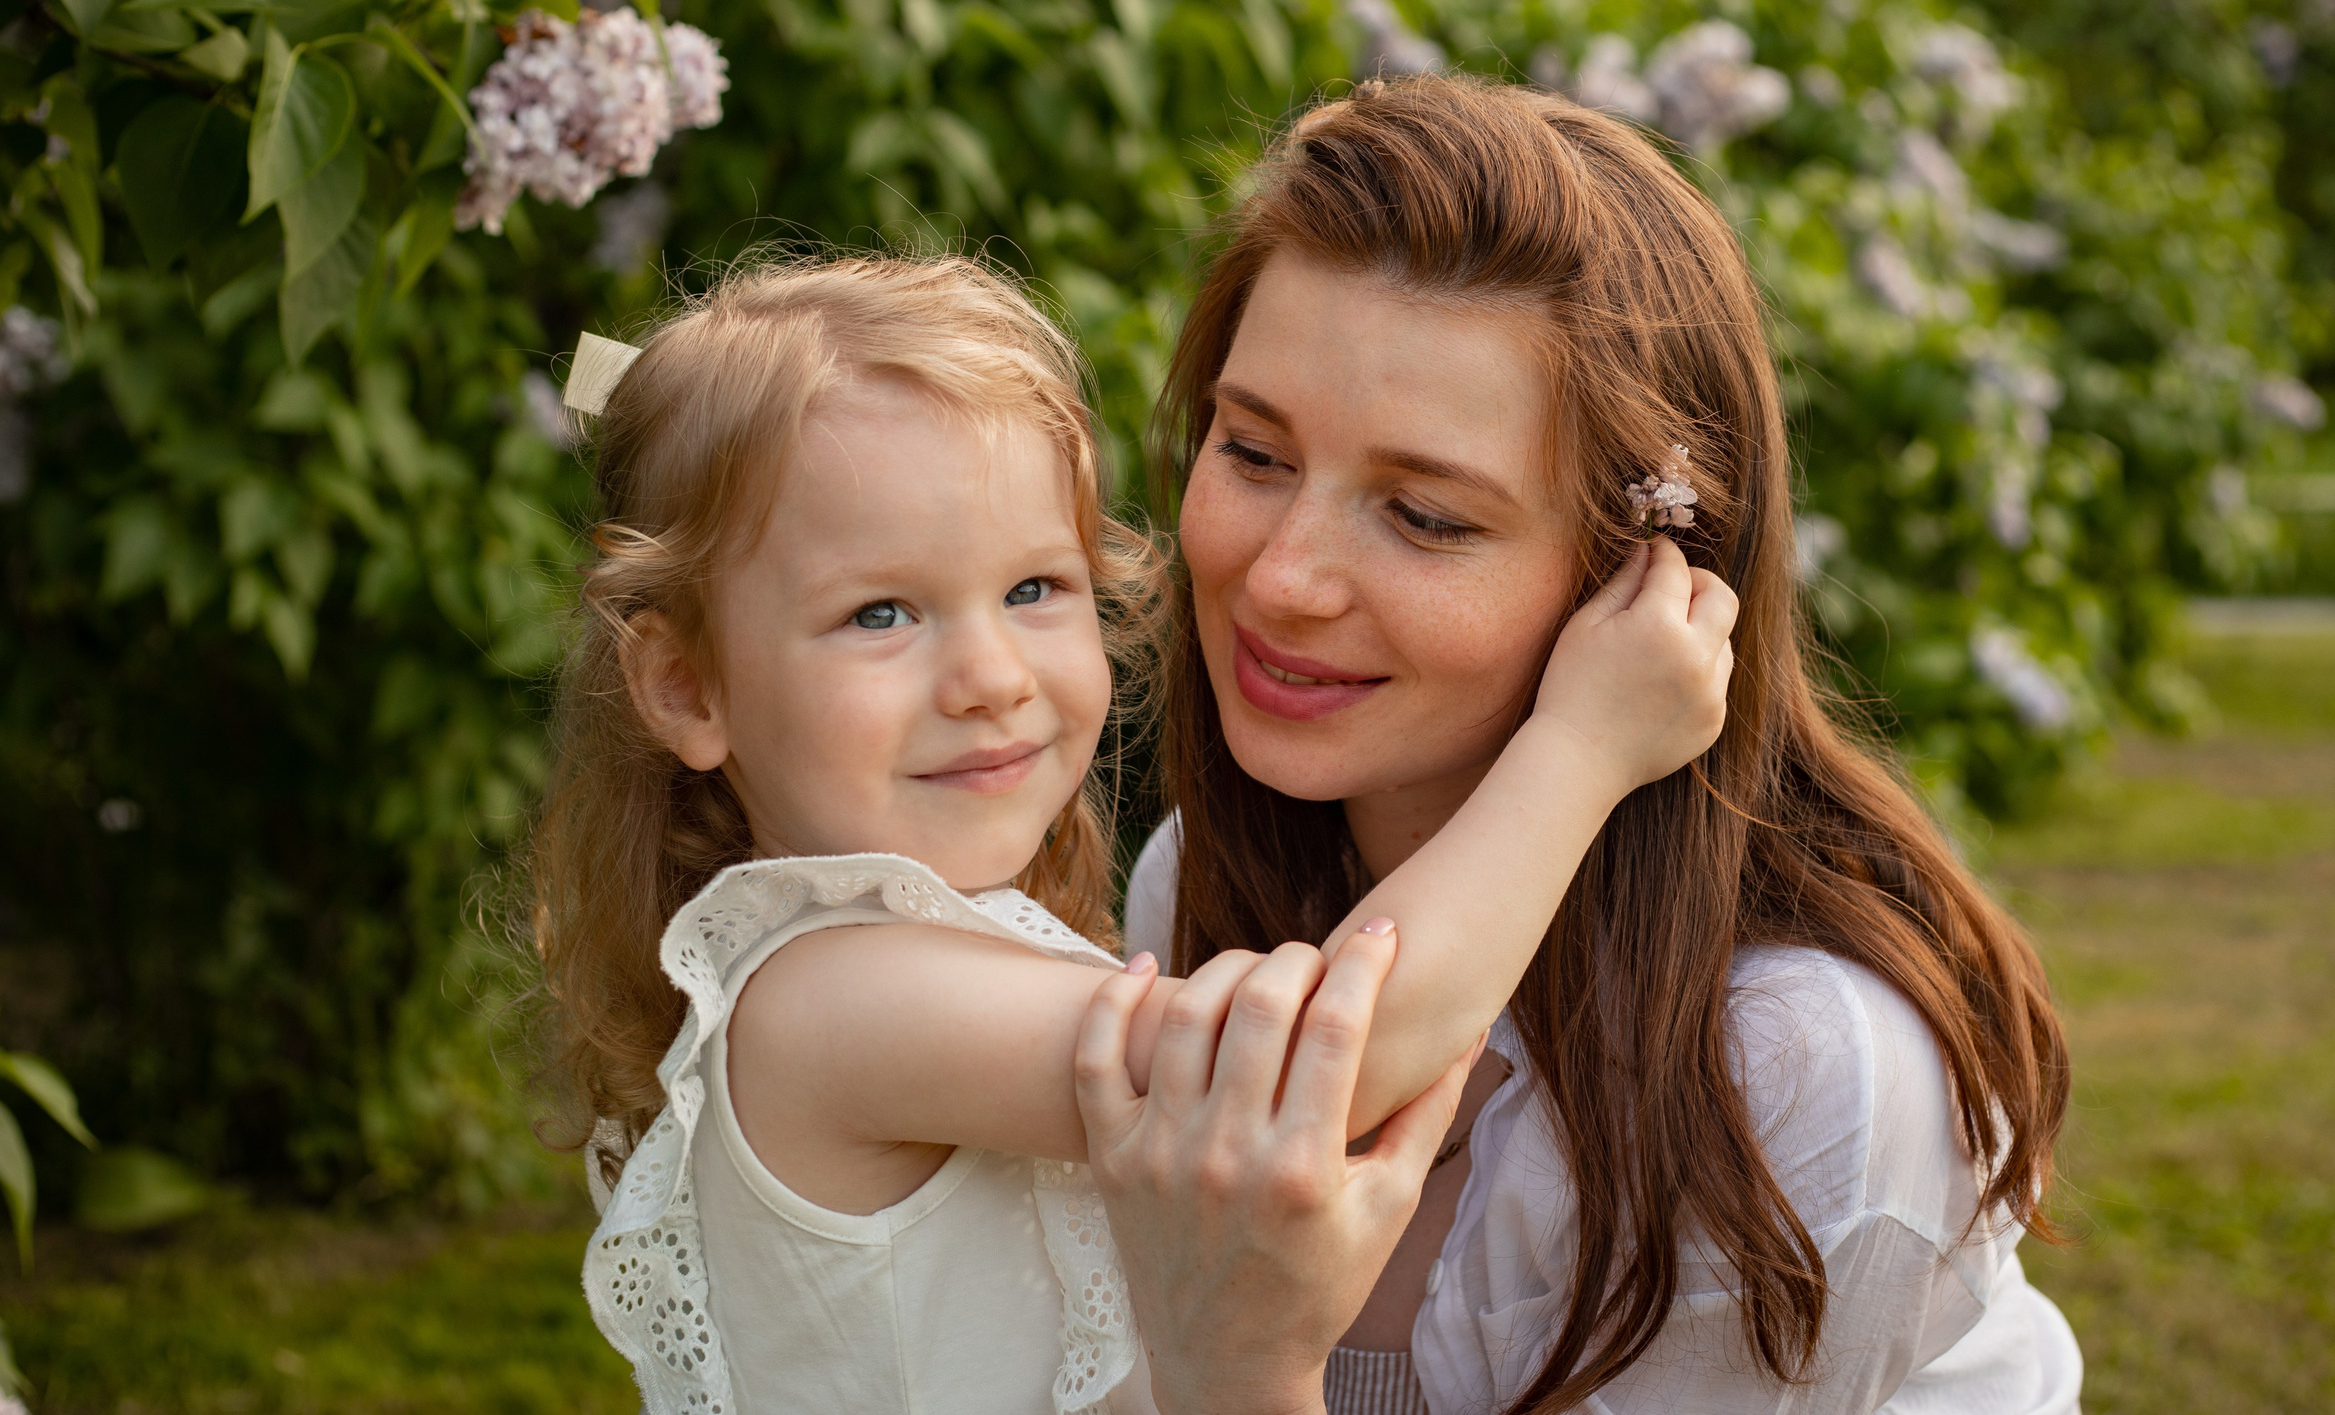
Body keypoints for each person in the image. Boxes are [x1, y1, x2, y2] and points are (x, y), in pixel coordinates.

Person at [525, 252, 1739, 1414]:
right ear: (686, 687)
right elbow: (1314, 1070)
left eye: (1032, 589)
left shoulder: (922, 956)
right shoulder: (828, 997)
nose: (990, 677)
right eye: (880, 613)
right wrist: (1582, 750)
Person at [1105, 75, 2084, 1414]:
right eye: (1255, 452)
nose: (1281, 578)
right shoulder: (1197, 882)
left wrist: (1244, 1376)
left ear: (1647, 580)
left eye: (1427, 516)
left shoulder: (1797, 1068)